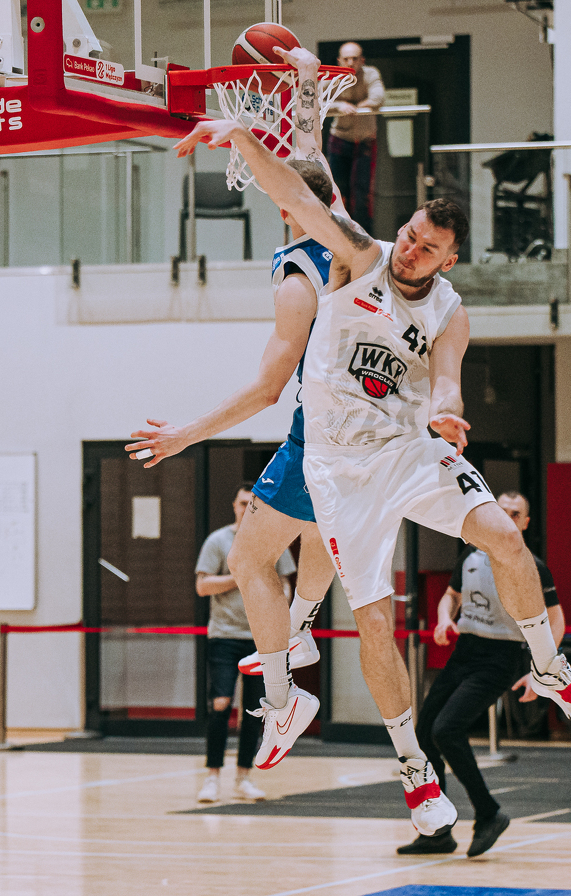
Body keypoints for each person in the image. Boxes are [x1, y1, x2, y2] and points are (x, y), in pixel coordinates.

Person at [175, 100, 571, 843]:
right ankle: (414, 770)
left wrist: (446, 414)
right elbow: (297, 194)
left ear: (448, 260)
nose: (409, 250)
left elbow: (447, 384)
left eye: (425, 247)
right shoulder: (359, 255)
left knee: (505, 537)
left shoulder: (449, 310)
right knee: (375, 621)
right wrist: (243, 137)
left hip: (409, 449)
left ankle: (547, 665)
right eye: (408, 235)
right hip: (339, 470)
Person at [126, 48, 350, 772]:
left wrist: (184, 436)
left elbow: (265, 390)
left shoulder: (299, 276)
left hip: (322, 430)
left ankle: (284, 697)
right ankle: (303, 628)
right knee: (321, 533)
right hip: (375, 429)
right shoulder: (350, 235)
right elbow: (309, 150)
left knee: (251, 557)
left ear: (282, 204)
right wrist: (305, 79)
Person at [397, 492, 561, 858]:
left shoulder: (532, 567)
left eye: (514, 514)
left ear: (525, 523)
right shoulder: (470, 556)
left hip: (500, 658)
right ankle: (437, 831)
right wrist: (444, 618)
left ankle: (489, 813)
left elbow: (556, 620)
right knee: (424, 735)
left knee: (446, 730)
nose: (506, 518)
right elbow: (451, 596)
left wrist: (541, 670)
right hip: (464, 652)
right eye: (501, 512)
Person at [194, 485, 297, 802]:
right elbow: (202, 585)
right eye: (242, 502)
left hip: (261, 638)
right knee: (220, 703)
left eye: (253, 502)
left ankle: (243, 778)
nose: (247, 507)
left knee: (254, 710)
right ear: (234, 505)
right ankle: (212, 777)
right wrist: (240, 576)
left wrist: (276, 609)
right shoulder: (218, 541)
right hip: (224, 636)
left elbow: (286, 586)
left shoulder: (274, 538)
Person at [325, 41, 385, 232]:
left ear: (362, 60)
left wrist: (358, 107)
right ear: (339, 60)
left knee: (363, 193)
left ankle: (364, 237)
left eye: (355, 58)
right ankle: (339, 234)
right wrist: (339, 106)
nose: (350, 62)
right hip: (339, 139)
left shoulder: (371, 73)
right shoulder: (332, 76)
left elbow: (378, 97)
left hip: (365, 141)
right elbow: (317, 99)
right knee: (337, 190)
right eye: (346, 59)